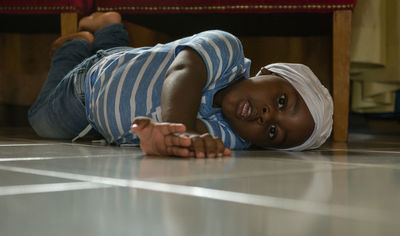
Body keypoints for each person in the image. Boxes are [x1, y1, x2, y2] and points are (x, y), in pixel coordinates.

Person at [28, 12, 333, 158]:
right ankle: (80, 45)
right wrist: (183, 129)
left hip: (99, 119)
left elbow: (180, 138)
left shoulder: (230, 139)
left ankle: (110, 31)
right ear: (268, 71)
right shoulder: (226, 49)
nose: (267, 116)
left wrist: (180, 142)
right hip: (92, 83)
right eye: (281, 101)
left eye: (272, 132)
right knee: (41, 120)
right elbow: (184, 72)